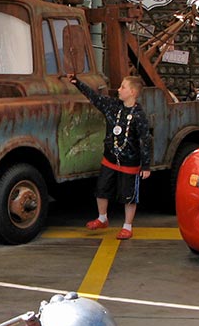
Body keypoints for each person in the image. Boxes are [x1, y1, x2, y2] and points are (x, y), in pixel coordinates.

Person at [63, 73, 152, 239]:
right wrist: (78, 83)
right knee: (101, 189)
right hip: (110, 158)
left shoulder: (139, 115)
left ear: (132, 92)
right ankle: (102, 218)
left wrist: (146, 165)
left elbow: (144, 140)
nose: (119, 90)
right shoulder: (113, 106)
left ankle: (127, 226)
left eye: (122, 87)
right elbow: (95, 98)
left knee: (129, 195)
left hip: (129, 161)